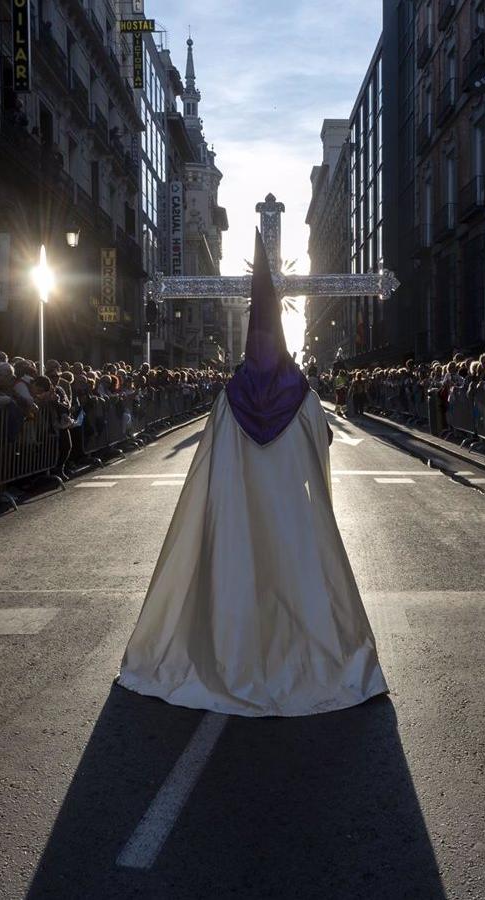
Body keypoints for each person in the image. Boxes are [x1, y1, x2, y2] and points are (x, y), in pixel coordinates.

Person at [117, 231, 387, 716]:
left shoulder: (229, 394)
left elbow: (212, 458)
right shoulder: (302, 394)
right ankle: (305, 661)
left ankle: (232, 659)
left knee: (239, 580)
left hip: (240, 513)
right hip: (289, 513)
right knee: (296, 581)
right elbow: (320, 444)